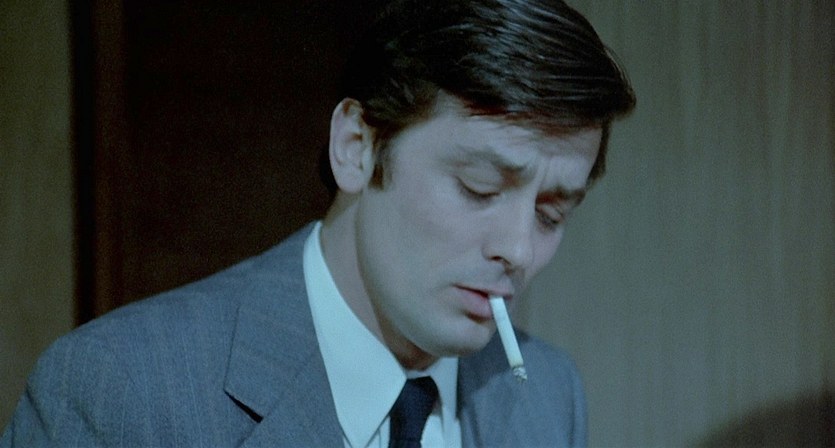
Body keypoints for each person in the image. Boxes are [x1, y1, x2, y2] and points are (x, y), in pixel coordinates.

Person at [2, 0, 634, 446]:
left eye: (551, 213)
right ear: (357, 147)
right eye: (480, 187)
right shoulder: (123, 390)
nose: (518, 250)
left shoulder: (546, 394)